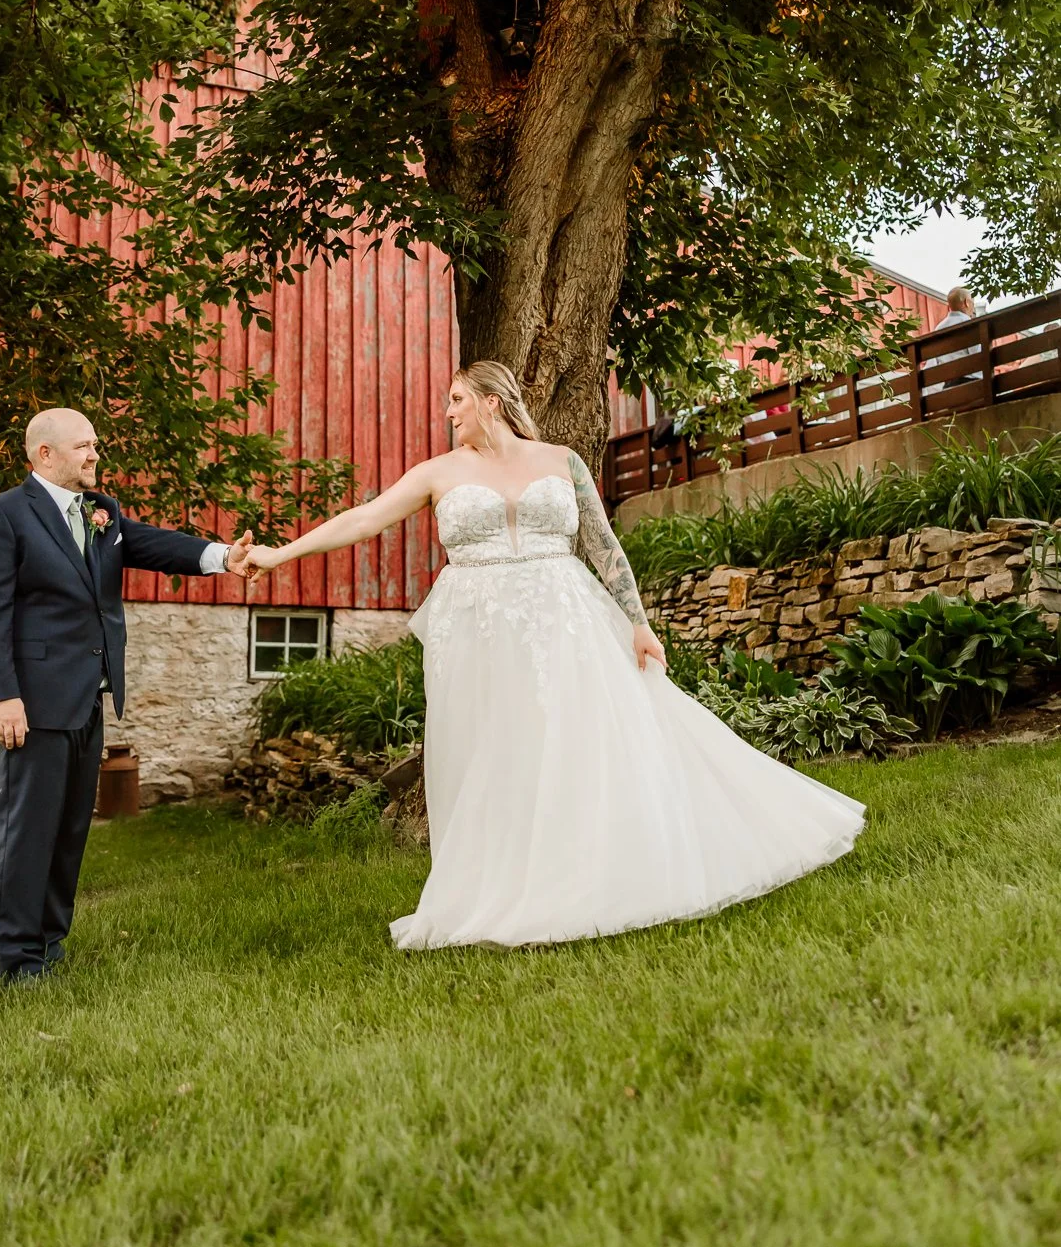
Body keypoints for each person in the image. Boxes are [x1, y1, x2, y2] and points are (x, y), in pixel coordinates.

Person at [244, 362, 865, 951]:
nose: (448, 410)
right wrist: (278, 555)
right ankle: (510, 887)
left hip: (565, 619)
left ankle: (598, 874)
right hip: (478, 632)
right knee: (497, 753)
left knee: (577, 743)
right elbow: (364, 518)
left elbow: (603, 544)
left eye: (457, 399)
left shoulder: (561, 461)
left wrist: (640, 623)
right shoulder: (438, 472)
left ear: (492, 402)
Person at [0, 408, 253, 983]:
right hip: (26, 707)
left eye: (95, 445)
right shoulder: (2, 518)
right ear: (45, 454)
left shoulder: (102, 513)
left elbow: (151, 545)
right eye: (83, 447)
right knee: (23, 834)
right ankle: (17, 960)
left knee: (68, 831)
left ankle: (49, 943)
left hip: (84, 699)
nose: (95, 455)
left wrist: (222, 557)